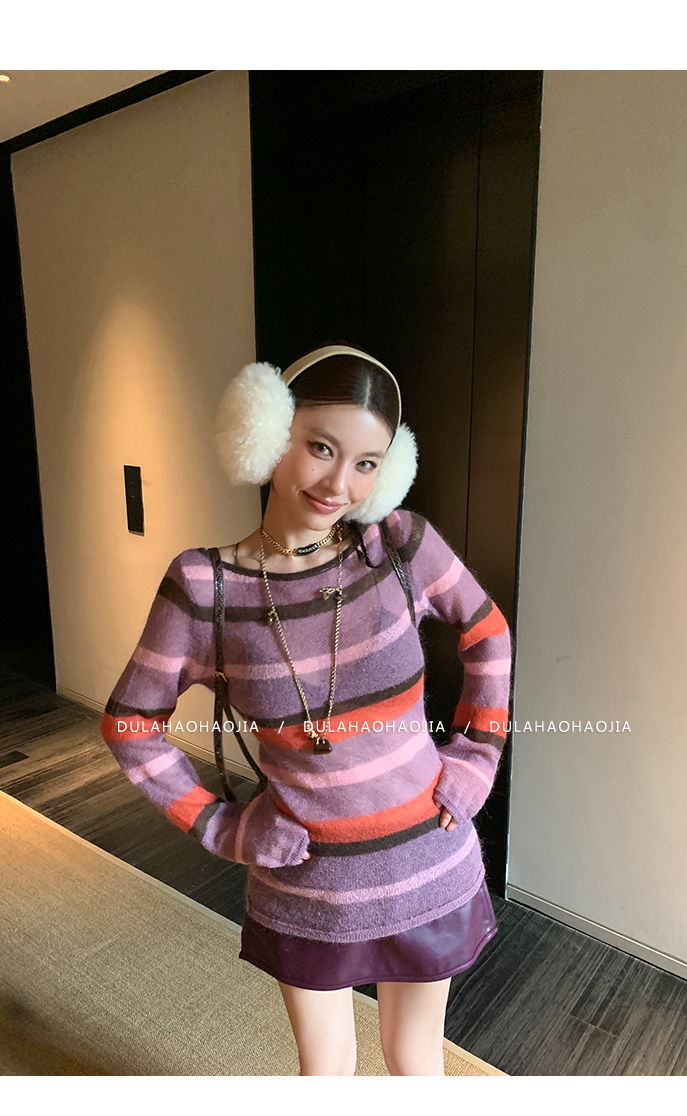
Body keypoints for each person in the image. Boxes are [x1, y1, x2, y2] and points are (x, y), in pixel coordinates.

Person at [100, 343, 513, 1076]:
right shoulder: (205, 588)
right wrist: (223, 826)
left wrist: (476, 759)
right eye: (320, 447)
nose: (338, 484)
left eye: (366, 462)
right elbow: (130, 724)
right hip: (308, 883)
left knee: (415, 1062)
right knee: (325, 1075)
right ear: (266, 434)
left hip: (428, 861)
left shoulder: (400, 546)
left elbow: (488, 634)